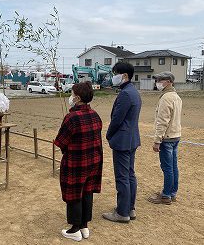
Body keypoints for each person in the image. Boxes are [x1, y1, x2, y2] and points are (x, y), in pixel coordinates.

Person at [54, 81, 103, 242]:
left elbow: (61, 141)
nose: (71, 96)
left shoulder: (72, 118)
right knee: (87, 192)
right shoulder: (95, 115)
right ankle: (84, 226)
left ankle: (75, 229)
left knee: (74, 193)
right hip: (93, 161)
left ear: (78, 98)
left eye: (73, 94)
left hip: (76, 163)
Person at [102, 62, 141, 223]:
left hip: (122, 140)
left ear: (124, 76)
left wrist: (109, 135)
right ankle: (129, 209)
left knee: (122, 177)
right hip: (131, 138)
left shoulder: (125, 94)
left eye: (115, 73)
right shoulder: (134, 91)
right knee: (130, 175)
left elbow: (117, 119)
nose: (113, 77)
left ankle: (122, 212)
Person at [148, 71, 182, 205]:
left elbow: (162, 121)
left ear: (168, 82)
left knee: (167, 168)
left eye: (160, 80)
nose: (158, 83)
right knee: (173, 166)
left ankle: (166, 195)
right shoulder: (176, 96)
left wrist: (157, 140)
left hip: (167, 138)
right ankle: (172, 193)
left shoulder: (166, 97)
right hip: (175, 135)